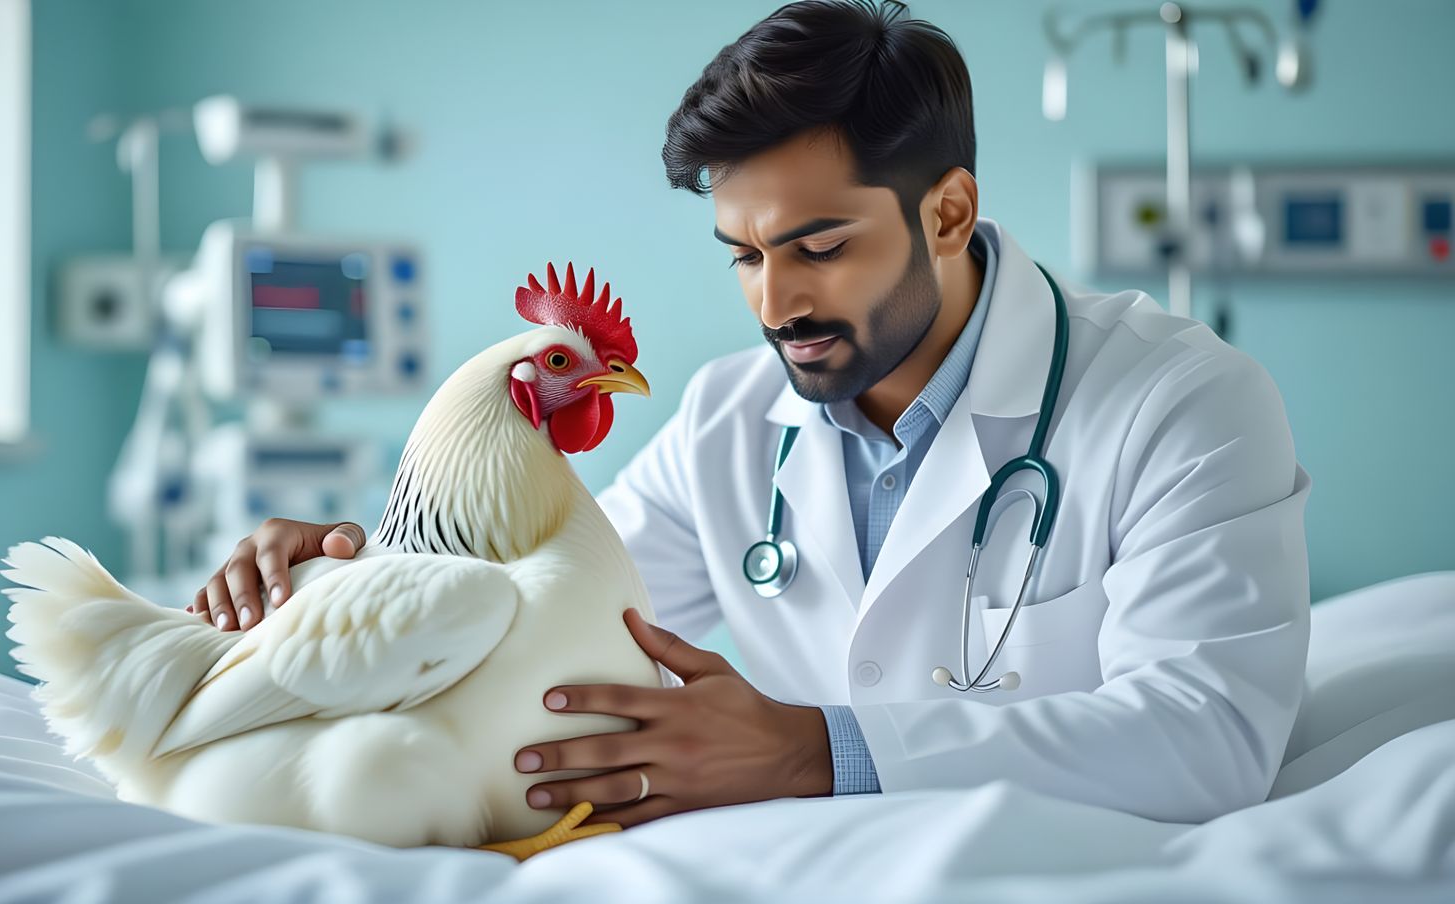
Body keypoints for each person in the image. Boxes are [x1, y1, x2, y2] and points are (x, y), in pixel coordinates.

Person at [190, 0, 1310, 829]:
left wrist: (822, 752)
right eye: (744, 255)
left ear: (949, 211)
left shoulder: (1181, 402)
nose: (776, 304)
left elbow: (1205, 733)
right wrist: (350, 573)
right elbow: (532, 616)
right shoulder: (728, 422)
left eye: (818, 247)